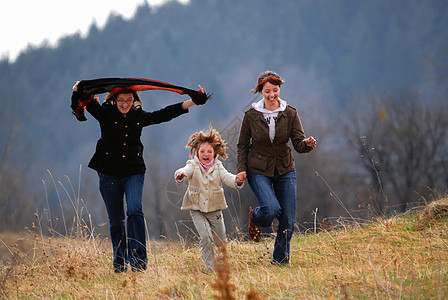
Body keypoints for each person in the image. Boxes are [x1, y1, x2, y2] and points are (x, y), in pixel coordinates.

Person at [72, 80, 210, 273]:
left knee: (135, 210)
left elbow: (164, 115)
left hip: (133, 171)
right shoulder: (104, 114)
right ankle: (120, 263)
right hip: (108, 173)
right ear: (114, 100)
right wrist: (79, 88)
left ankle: (138, 261)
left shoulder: (138, 116)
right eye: (121, 100)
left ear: (134, 101)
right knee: (116, 221)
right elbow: (85, 98)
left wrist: (192, 101)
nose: (125, 104)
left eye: (129, 100)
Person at [236, 70, 316, 265]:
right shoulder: (251, 115)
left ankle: (279, 262)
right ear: (260, 92)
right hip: (258, 170)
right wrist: (241, 168)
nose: (272, 95)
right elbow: (242, 145)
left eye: (275, 90)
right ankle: (255, 218)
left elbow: (297, 143)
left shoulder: (290, 113)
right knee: (271, 209)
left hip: (285, 168)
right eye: (267, 91)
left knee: (288, 219)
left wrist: (306, 144)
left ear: (280, 89)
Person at [174, 128, 245, 271]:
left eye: (209, 152)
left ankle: (223, 264)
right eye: (202, 151)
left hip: (215, 208)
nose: (205, 154)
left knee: (221, 240)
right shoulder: (192, 165)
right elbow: (185, 171)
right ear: (196, 152)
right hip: (196, 208)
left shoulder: (218, 167)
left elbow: (228, 178)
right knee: (206, 238)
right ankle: (210, 267)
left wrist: (237, 180)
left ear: (215, 153)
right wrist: (180, 174)